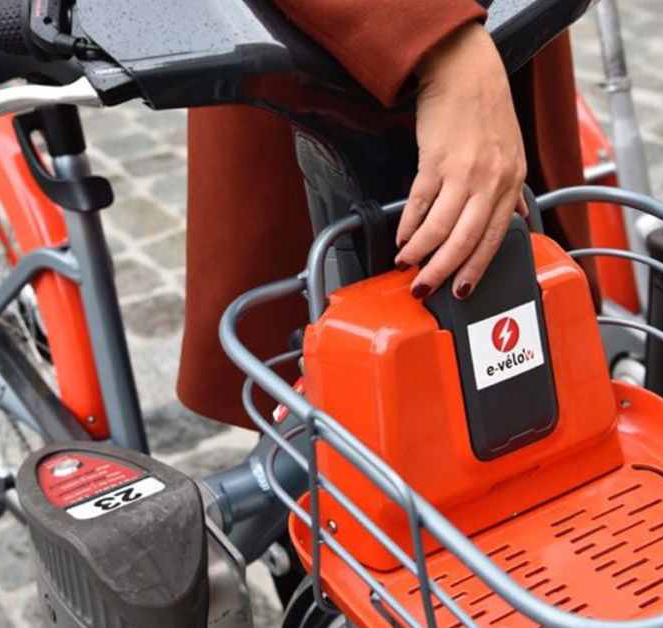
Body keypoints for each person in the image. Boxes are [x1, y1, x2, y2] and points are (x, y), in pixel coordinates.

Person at [178, 1, 593, 427]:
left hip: (500, 41)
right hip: (338, 50)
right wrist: (443, 42)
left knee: (536, 387)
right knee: (350, 421)